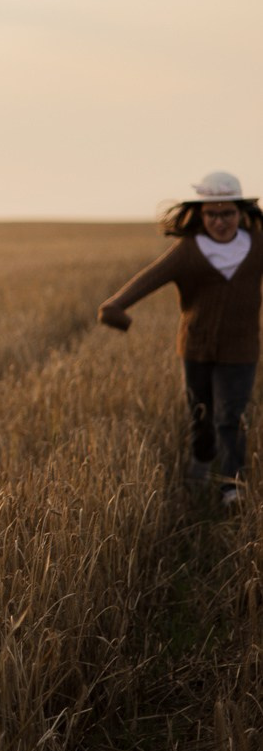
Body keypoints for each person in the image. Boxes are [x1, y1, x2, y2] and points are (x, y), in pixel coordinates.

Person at [98, 171, 263, 507]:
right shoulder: (188, 250)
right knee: (200, 416)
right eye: (212, 214)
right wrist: (115, 306)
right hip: (196, 347)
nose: (220, 221)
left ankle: (231, 486)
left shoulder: (258, 244)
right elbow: (148, 279)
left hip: (242, 348)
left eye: (227, 213)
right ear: (200, 214)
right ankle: (201, 464)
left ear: (241, 212)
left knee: (231, 416)